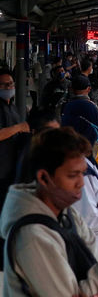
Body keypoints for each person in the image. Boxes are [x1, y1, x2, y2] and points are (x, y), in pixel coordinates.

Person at [0, 127, 98, 296]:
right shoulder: (32, 237)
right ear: (44, 178)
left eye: (82, 173)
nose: (81, 183)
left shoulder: (67, 214)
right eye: (72, 175)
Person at [61, 75, 98, 174]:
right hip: (90, 154)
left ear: (71, 88)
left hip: (68, 154)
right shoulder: (97, 108)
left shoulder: (64, 107)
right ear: (89, 89)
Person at [0, 67, 30, 211]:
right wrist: (19, 128)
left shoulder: (11, 106)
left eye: (11, 83)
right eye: (5, 84)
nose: (9, 87)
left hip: (11, 166)